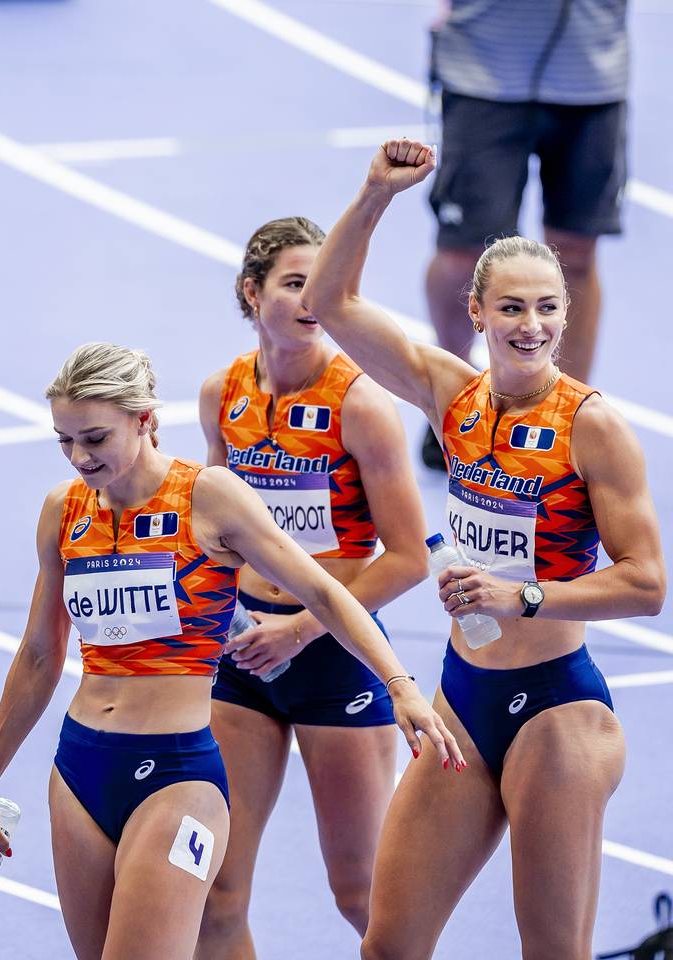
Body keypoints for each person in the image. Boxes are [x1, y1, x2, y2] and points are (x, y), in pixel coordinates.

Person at [0, 342, 460, 960]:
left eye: (94, 437)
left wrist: (399, 683)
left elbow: (325, 593)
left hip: (177, 774)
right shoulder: (64, 510)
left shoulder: (208, 497)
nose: (79, 457)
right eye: (64, 441)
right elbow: (39, 654)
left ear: (144, 420)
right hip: (80, 766)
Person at [303, 138, 666, 959]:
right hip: (463, 700)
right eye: (510, 308)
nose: (530, 326)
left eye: (546, 307)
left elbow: (648, 585)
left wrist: (524, 596)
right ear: (477, 312)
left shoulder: (593, 428)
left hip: (557, 712)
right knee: (387, 946)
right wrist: (373, 195)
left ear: (565, 315)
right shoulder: (450, 392)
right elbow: (330, 303)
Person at [195, 218, 429, 959]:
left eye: (323, 283)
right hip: (242, 657)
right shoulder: (222, 394)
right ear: (251, 292)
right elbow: (213, 529)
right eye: (294, 282)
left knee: (361, 894)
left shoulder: (359, 405)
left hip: (335, 660)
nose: (311, 299)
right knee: (217, 893)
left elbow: (408, 558)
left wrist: (299, 627)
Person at [421, 0, 628, 469]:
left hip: (592, 76)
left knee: (576, 253)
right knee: (463, 253)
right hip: (484, 72)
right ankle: (450, 397)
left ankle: (566, 418)